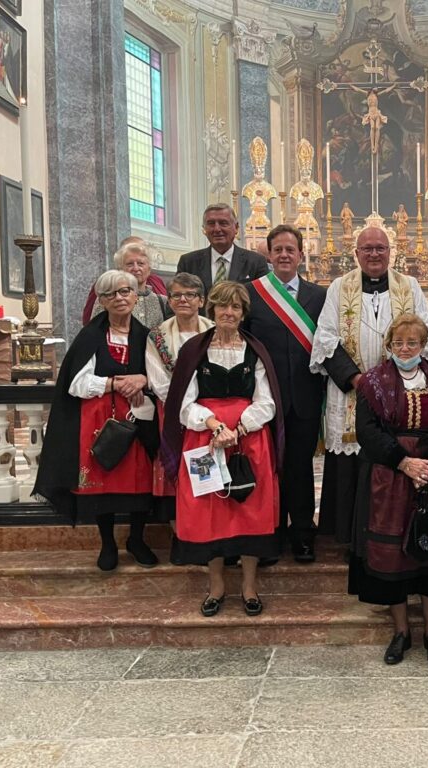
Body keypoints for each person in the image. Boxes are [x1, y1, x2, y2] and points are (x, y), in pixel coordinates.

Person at [161, 281, 283, 618]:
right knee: (208, 512)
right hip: (205, 440)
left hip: (250, 441)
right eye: (222, 307)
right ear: (211, 310)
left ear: (244, 313)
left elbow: (268, 401)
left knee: (250, 509)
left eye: (236, 308)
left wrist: (240, 428)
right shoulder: (193, 350)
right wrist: (215, 426)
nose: (228, 313)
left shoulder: (255, 350)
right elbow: (183, 404)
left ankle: (249, 586)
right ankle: (216, 587)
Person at [310, 226, 428, 545]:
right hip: (352, 390)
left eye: (380, 248)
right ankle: (351, 540)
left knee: (393, 455)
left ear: (390, 252)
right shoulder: (340, 287)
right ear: (356, 253)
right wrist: (357, 379)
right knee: (352, 467)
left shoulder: (409, 286)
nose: (374, 254)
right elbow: (325, 338)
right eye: (367, 249)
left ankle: (394, 537)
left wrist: (393, 380)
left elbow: (426, 335)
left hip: (400, 391)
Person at [351, 314, 428, 665]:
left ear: (423, 345)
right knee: (393, 558)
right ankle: (401, 632)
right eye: (398, 342)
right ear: (389, 345)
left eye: (412, 342)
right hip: (389, 476)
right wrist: (403, 461)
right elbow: (367, 431)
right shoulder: (372, 382)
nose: (404, 348)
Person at [33, 270, 159, 571]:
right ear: (101, 300)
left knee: (140, 483)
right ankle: (107, 544)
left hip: (138, 418)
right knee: (103, 484)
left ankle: (137, 539)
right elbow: (76, 384)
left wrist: (143, 378)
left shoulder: (148, 336)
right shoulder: (91, 335)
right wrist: (115, 383)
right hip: (99, 420)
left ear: (135, 295)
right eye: (111, 294)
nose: (119, 298)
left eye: (125, 291)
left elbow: (163, 377)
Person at [244, 225, 327, 564]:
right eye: (277, 249)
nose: (283, 255)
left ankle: (303, 534)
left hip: (306, 397)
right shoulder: (252, 294)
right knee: (268, 468)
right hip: (266, 396)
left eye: (290, 249)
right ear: (269, 254)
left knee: (300, 468)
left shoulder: (319, 296)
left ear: (301, 255)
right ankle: (271, 533)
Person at [145, 273, 214, 524]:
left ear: (201, 300)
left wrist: (202, 411)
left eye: (190, 294)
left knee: (206, 470)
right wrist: (185, 409)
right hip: (172, 413)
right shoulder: (157, 336)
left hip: (208, 415)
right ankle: (180, 534)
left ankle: (206, 529)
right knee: (175, 472)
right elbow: (157, 380)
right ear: (170, 301)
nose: (183, 299)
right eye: (176, 295)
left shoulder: (214, 332)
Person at [176, 204, 270, 300]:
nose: (217, 229)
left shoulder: (256, 262)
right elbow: (176, 300)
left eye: (223, 223)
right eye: (211, 223)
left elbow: (264, 303)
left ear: (236, 227)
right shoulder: (188, 262)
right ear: (204, 229)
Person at [81, 236, 170, 325]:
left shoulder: (161, 300)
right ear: (120, 268)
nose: (136, 268)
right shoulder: (108, 295)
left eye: (141, 263)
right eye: (130, 264)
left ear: (149, 268)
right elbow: (94, 329)